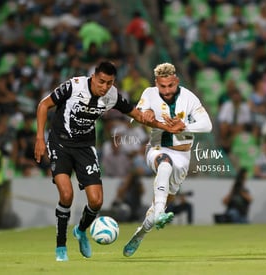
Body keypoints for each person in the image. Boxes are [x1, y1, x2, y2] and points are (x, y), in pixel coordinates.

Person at [34, 61, 184, 262]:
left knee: (96, 201)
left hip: (85, 148)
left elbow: (138, 115)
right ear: (94, 77)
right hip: (60, 144)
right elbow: (44, 105)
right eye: (102, 82)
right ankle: (61, 246)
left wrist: (165, 126)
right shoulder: (74, 86)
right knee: (67, 194)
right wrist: (39, 139)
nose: (104, 87)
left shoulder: (111, 95)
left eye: (109, 83)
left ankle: (80, 231)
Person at [123, 62, 212, 257]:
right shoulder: (149, 93)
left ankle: (142, 232)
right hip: (157, 148)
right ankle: (160, 214)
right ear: (157, 83)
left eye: (170, 86)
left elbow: (207, 125)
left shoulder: (189, 97)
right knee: (164, 164)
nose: (166, 90)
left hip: (183, 156)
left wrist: (185, 126)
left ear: (176, 81)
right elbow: (138, 114)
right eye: (162, 86)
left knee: (159, 205)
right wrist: (145, 114)